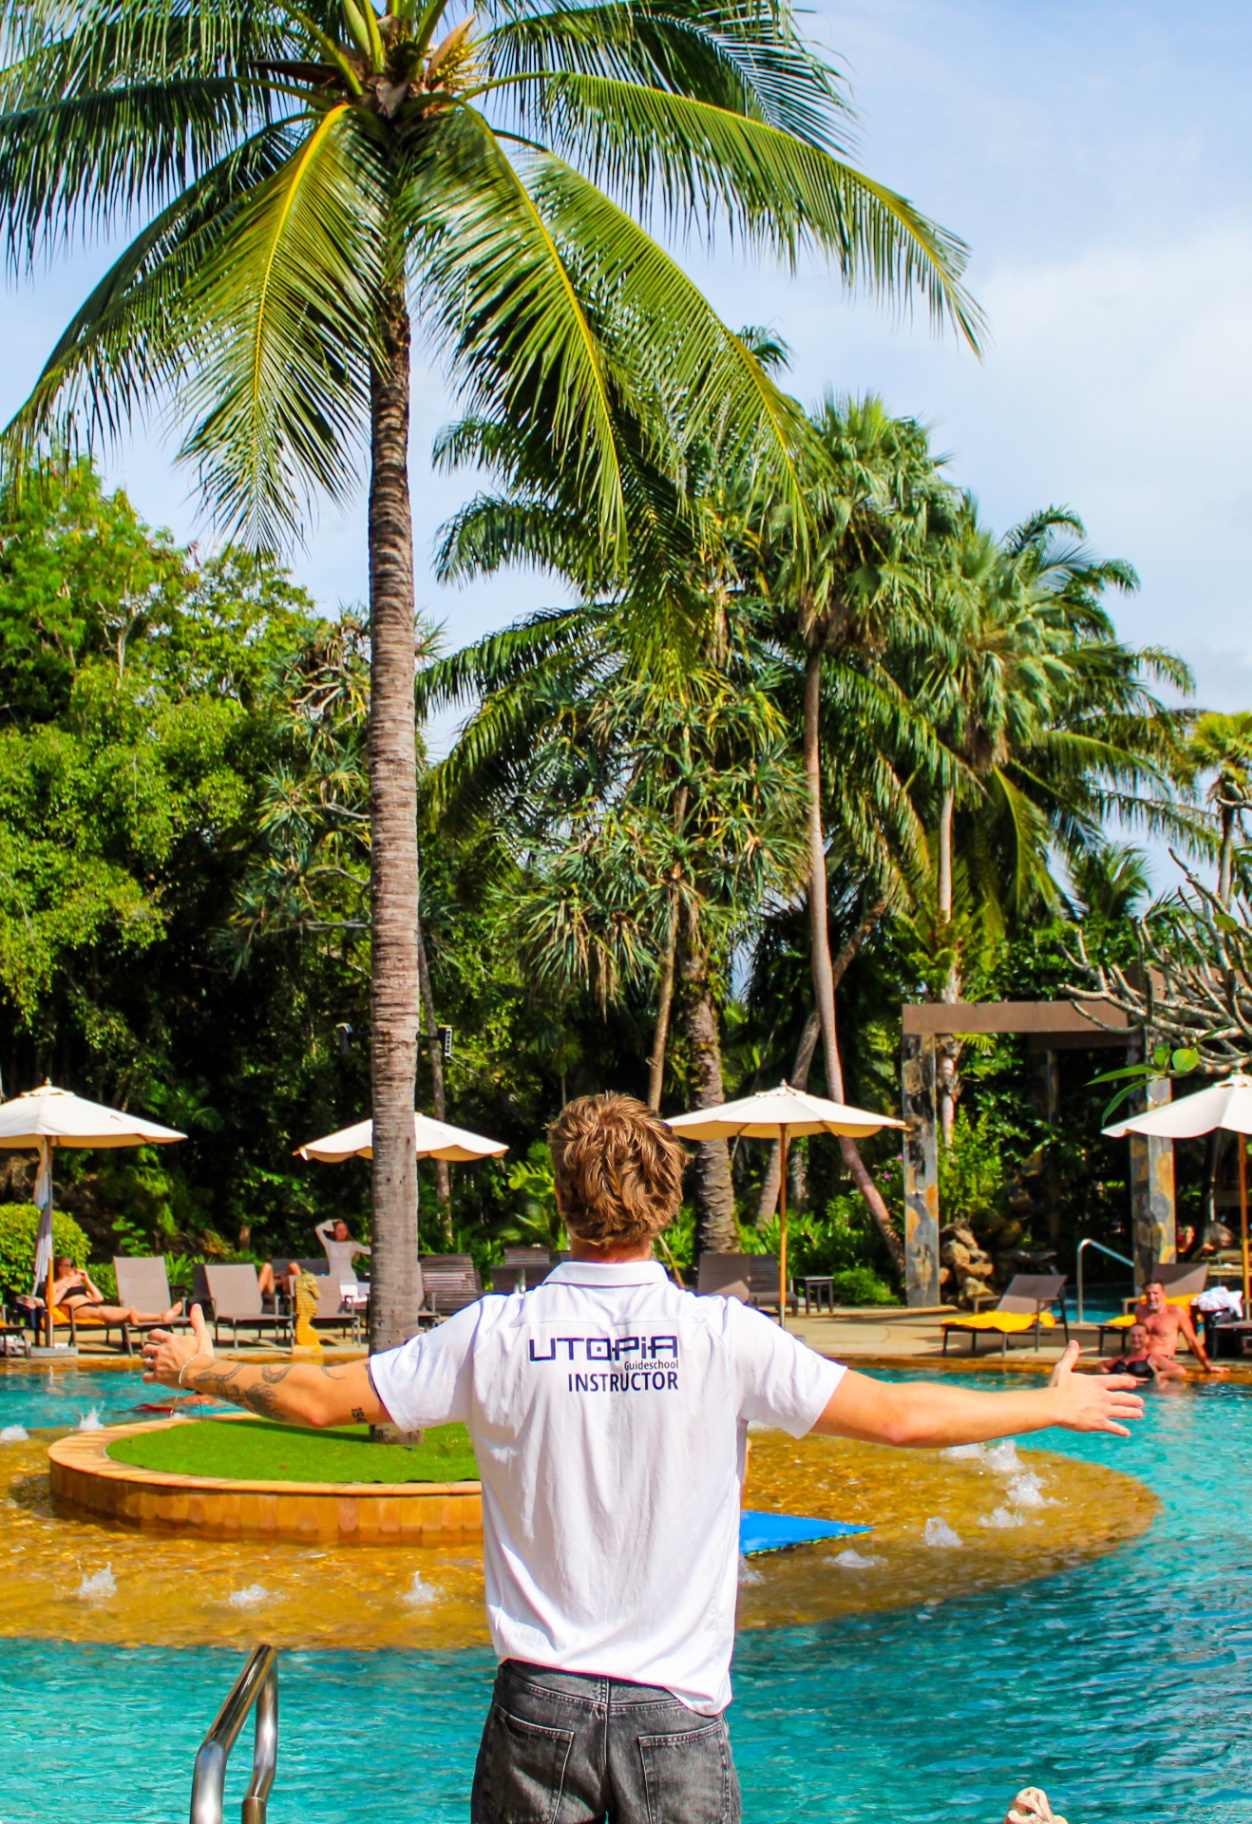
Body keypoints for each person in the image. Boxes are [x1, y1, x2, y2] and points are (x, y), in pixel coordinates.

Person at [142, 1093, 1143, 1824]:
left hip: (538, 1710)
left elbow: (319, 1399)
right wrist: (1045, 1405)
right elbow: (896, 1419)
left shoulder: (501, 1332)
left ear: (560, 1198)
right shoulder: (720, 1336)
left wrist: (202, 1367)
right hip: (677, 1727)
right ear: (665, 1199)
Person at [22, 1256, 184, 1329]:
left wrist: (87, 1280)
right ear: (59, 1268)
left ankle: (161, 1316)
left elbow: (98, 1298)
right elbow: (51, 1303)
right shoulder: (55, 1284)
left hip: (91, 1306)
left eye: (71, 1265)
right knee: (106, 1312)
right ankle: (155, 1316)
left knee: (120, 1311)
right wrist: (67, 1284)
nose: (70, 1268)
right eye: (67, 1265)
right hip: (76, 1311)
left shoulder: (78, 1283)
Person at [1130, 1276, 1221, 1374]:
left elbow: (1192, 1340)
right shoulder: (1140, 1310)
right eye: (1148, 1294)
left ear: (1164, 1294)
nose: (1151, 1298)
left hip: (1162, 1361)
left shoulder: (1176, 1312)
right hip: (1140, 1359)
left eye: (1155, 1293)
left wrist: (1207, 1365)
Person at [1100, 1321, 1183, 1383]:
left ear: (1148, 1338)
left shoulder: (1153, 1358)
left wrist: (1160, 1375)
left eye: (1140, 1336)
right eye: (1133, 1336)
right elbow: (1101, 1365)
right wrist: (1110, 1375)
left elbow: (1180, 1371)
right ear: (1128, 1337)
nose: (1136, 1339)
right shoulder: (1122, 1358)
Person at [315, 1218, 369, 1299]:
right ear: (335, 1232)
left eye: (344, 1230)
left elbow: (368, 1251)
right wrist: (332, 1222)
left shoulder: (352, 1245)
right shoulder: (329, 1244)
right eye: (339, 1230)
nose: (342, 1233)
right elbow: (318, 1229)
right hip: (334, 1280)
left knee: (351, 1303)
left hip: (349, 1280)